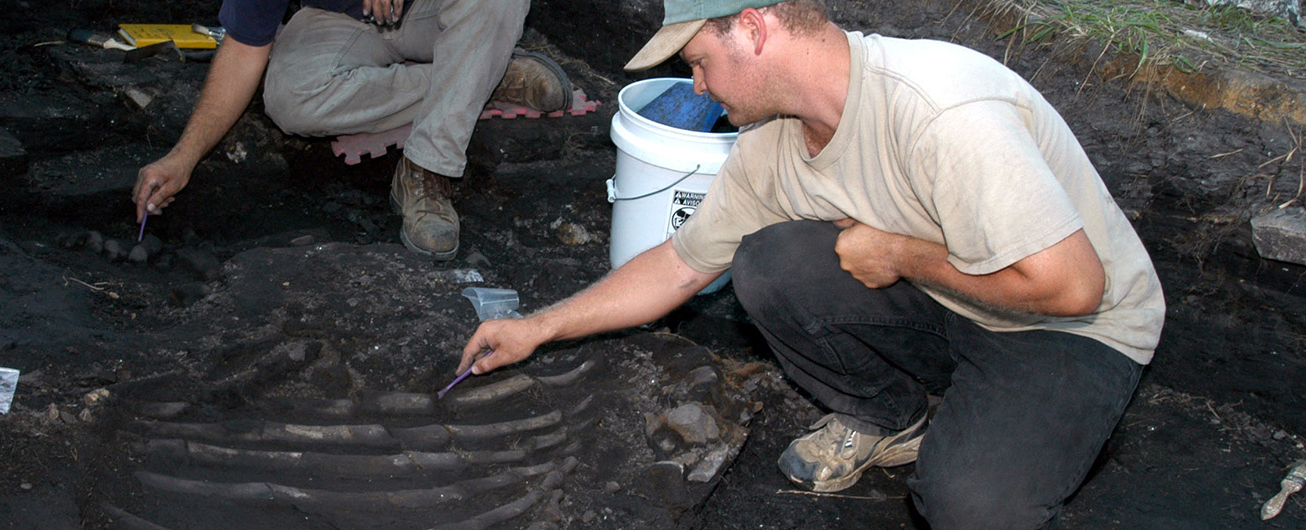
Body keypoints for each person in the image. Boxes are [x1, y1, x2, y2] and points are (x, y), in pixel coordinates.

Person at [455, 0, 1165, 527]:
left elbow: (1074, 288)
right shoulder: (772, 147)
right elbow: (677, 266)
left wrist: (900, 253)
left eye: (699, 61)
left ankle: (1036, 427)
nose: (697, 87)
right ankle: (889, 417)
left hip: (1069, 329)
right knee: (770, 262)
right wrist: (539, 327)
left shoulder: (942, 110)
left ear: (756, 30)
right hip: (950, 302)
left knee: (968, 504)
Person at [132, 0, 573, 260]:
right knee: (291, 98)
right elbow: (245, 48)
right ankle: (486, 77)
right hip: (335, 19)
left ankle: (427, 170)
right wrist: (182, 156)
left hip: (433, 14)